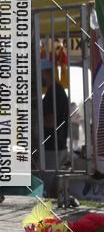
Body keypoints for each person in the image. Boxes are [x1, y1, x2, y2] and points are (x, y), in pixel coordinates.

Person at [41, 58, 69, 195]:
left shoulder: (54, 93)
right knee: (54, 187)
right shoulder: (57, 91)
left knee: (47, 187)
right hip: (58, 144)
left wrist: (33, 121)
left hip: (53, 146)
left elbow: (51, 122)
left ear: (46, 73)